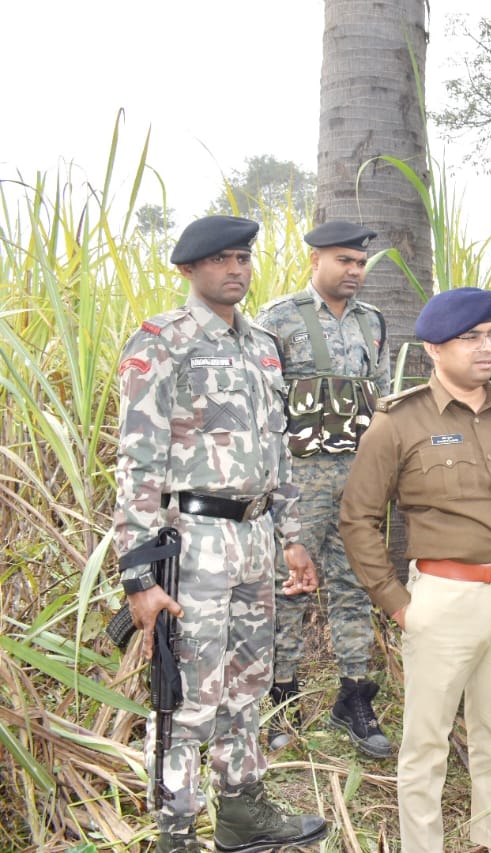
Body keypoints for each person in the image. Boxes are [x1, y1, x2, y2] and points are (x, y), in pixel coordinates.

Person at [113, 215, 327, 852]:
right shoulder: (163, 342)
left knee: (246, 683)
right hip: (194, 541)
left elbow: (279, 452)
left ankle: (242, 812)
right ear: (188, 269)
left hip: (255, 535)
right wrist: (138, 575)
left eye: (243, 258)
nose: (236, 269)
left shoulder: (260, 344)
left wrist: (290, 537)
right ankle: (176, 833)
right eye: (221, 260)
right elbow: (138, 463)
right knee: (186, 697)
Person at [339, 287, 491, 853]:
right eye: (469, 338)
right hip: (442, 601)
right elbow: (357, 518)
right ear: (433, 348)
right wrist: (398, 604)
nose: (486, 347)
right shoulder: (399, 422)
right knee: (427, 744)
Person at [255, 220, 393, 757]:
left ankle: (354, 695)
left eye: (360, 263)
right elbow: (263, 410)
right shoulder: (278, 319)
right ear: (315, 260)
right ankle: (281, 696)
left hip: (357, 477)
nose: (355, 271)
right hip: (299, 480)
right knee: (290, 586)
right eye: (344, 261)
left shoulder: (372, 322)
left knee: (354, 585)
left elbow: (381, 399)